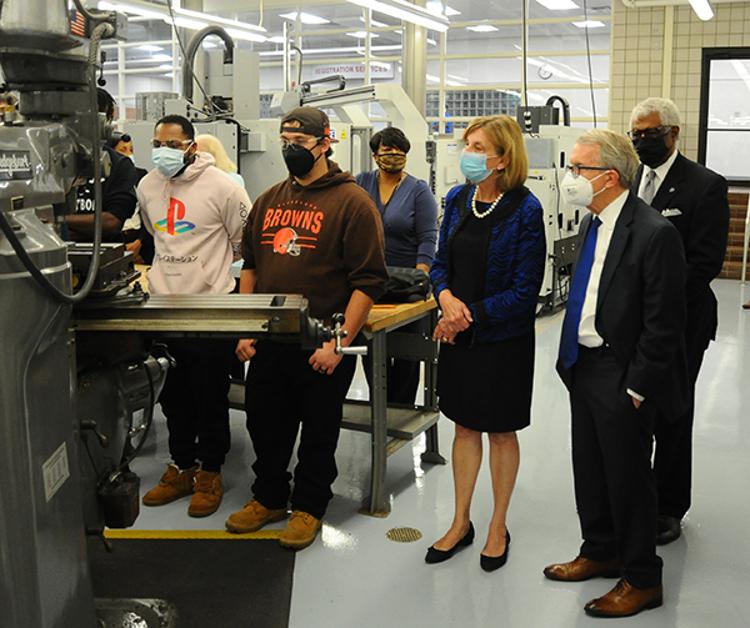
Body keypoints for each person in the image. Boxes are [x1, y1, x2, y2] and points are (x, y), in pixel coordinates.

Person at [225, 107, 388, 550]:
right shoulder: (269, 199)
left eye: (299, 142)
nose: (289, 149)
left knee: (318, 431)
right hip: (271, 338)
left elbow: (368, 282)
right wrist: (246, 329)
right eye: (284, 140)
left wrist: (339, 343)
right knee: (265, 425)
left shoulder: (353, 203)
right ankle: (270, 497)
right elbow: (251, 268)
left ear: (324, 143)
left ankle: (310, 506)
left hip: (322, 341)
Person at [544, 129, 688, 618]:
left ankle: (643, 578)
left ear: (607, 177)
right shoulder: (591, 223)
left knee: (628, 479)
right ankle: (600, 549)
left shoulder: (654, 233)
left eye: (578, 169)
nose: (570, 178)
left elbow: (665, 323)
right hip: (583, 366)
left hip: (621, 373)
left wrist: (636, 387)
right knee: (590, 467)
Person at [426, 115, 546, 572]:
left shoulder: (526, 209)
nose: (468, 154)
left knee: (500, 431)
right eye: (468, 145)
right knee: (463, 428)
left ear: (503, 159)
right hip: (458, 337)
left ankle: (498, 525)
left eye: (479, 148)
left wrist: (463, 316)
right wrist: (446, 299)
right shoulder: (458, 200)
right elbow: (439, 265)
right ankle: (460, 522)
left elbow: (524, 288)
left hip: (502, 342)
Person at [137, 114, 252, 518]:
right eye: (157, 144)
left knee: (209, 395)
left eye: (171, 144)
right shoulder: (148, 185)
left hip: (209, 308)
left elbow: (245, 243)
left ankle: (210, 472)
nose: (163, 152)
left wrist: (207, 271)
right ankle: (181, 466)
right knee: (172, 395)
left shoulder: (222, 186)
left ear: (191, 146)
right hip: (163, 307)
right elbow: (155, 234)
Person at [629, 97, 730, 545]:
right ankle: (637, 493)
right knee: (636, 407)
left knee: (673, 410)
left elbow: (704, 262)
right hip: (634, 322)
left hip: (682, 320)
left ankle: (670, 507)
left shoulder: (704, 185)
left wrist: (655, 305)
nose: (642, 142)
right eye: (636, 135)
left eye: (650, 134)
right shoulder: (633, 180)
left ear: (672, 133)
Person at [356, 126, 438, 404]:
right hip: (369, 282)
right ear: (375, 155)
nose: (393, 156)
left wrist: (419, 277)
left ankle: (400, 410)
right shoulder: (361, 183)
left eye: (399, 152)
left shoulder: (418, 190)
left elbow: (428, 238)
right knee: (371, 347)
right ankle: (379, 405)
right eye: (387, 152)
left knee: (406, 353)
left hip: (405, 284)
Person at [64, 89, 138, 242]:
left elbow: (111, 222)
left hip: (99, 255)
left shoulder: (119, 164)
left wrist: (58, 222)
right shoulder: (45, 160)